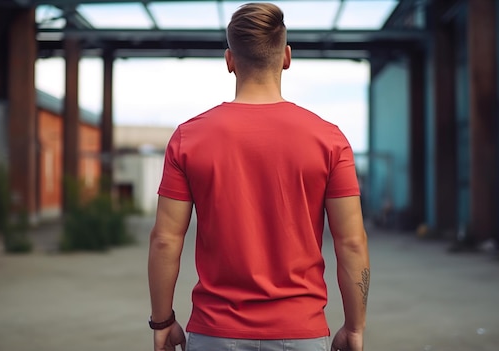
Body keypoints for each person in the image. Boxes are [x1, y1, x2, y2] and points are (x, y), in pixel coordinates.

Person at [147, 3, 370, 351]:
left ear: (230, 61)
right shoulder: (329, 140)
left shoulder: (188, 138)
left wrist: (162, 321)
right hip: (302, 333)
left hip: (215, 332)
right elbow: (352, 243)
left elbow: (165, 239)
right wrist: (355, 327)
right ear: (286, 57)